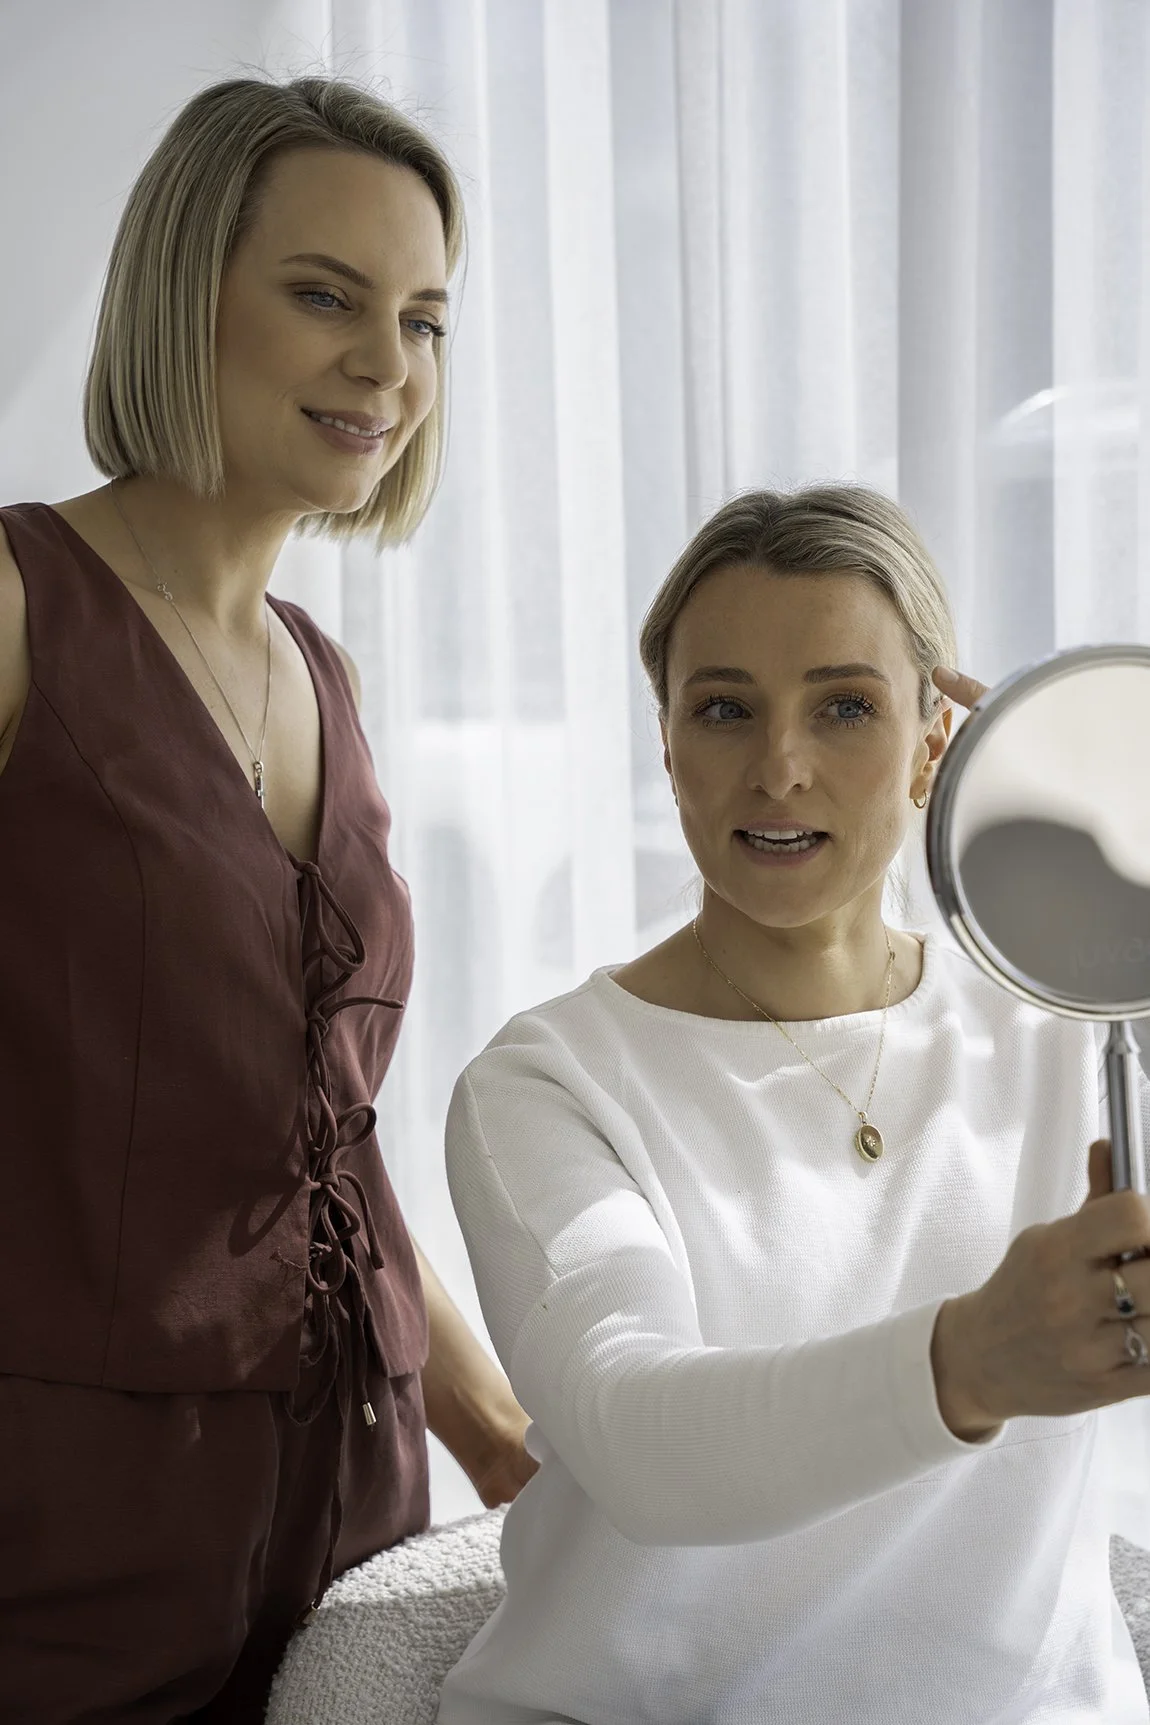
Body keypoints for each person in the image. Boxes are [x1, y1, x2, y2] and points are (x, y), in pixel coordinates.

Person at [436, 485, 1150, 1725]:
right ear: (665, 744)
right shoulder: (547, 1083)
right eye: (723, 709)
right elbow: (639, 1437)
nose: (779, 768)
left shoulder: (1073, 1027)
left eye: (846, 707)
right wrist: (973, 1359)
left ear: (936, 742)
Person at [0, 73, 535, 1723]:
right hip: (66, 1549)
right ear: (184, 295)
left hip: (353, 1540)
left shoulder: (325, 675)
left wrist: (512, 1450)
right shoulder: (20, 611)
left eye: (425, 318)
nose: (389, 364)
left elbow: (331, 1139)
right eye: (326, 297)